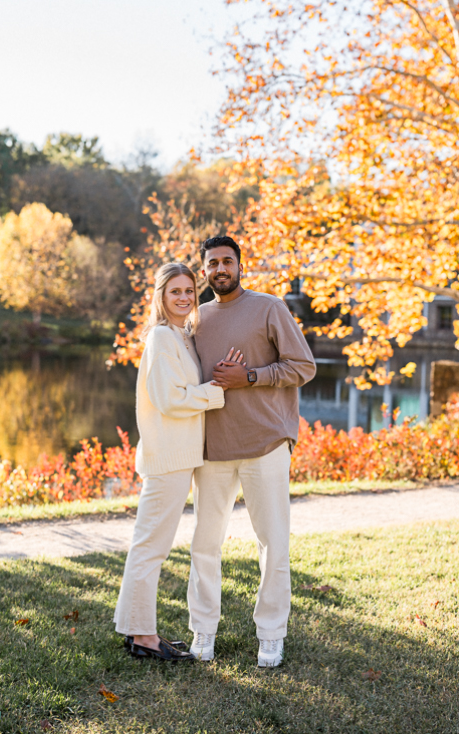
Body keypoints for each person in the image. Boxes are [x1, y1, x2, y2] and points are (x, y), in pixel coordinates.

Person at [187, 235, 316, 668]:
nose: (220, 268)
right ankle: (203, 629)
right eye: (212, 263)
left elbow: (304, 367)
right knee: (204, 543)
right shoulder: (196, 319)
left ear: (240, 265)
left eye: (227, 261)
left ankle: (272, 634)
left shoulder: (269, 307)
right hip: (213, 450)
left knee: (273, 544)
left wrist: (252, 376)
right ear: (203, 271)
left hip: (266, 446)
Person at [113, 262, 242, 662]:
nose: (185, 297)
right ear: (160, 297)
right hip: (167, 457)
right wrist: (215, 392)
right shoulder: (161, 339)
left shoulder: (182, 335)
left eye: (190, 290)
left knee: (150, 546)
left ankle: (138, 631)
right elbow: (170, 400)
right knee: (150, 548)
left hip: (181, 456)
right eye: (176, 292)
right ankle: (144, 638)